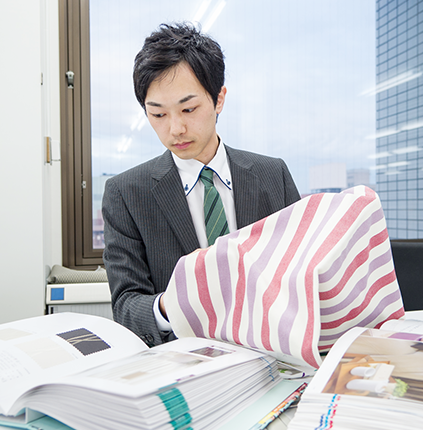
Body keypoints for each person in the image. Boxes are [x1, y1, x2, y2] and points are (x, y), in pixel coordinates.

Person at [102, 22, 301, 347]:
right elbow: (126, 306)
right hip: (182, 365)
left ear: (218, 99)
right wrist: (173, 302)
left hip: (272, 354)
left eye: (189, 109)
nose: (176, 128)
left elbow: (301, 270)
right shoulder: (126, 193)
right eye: (158, 115)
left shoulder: (272, 175)